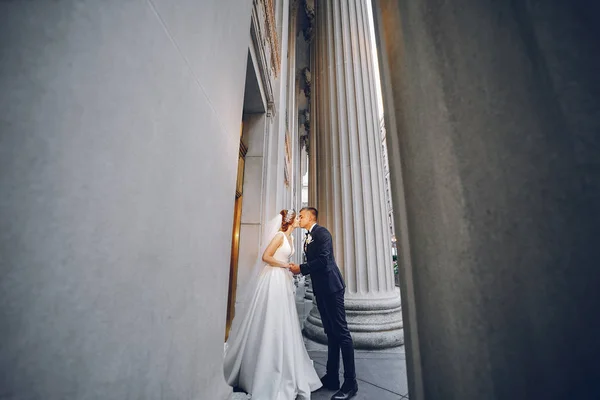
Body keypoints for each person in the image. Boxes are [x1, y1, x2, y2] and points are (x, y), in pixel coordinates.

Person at [224, 209, 322, 399]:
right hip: (273, 279)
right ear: (291, 220)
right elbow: (266, 257)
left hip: (283, 281)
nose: (299, 220)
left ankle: (285, 360)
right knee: (270, 317)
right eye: (297, 218)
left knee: (283, 320)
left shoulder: (292, 239)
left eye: (301, 217)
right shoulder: (279, 236)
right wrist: (285, 265)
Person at [289, 207, 358, 400]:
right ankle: (332, 377)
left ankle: (351, 383)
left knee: (342, 333)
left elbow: (324, 259)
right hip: (321, 288)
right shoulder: (308, 236)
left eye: (301, 216)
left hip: (332, 287)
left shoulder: (322, 233)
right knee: (331, 333)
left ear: (311, 217)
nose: (299, 219)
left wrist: (300, 269)